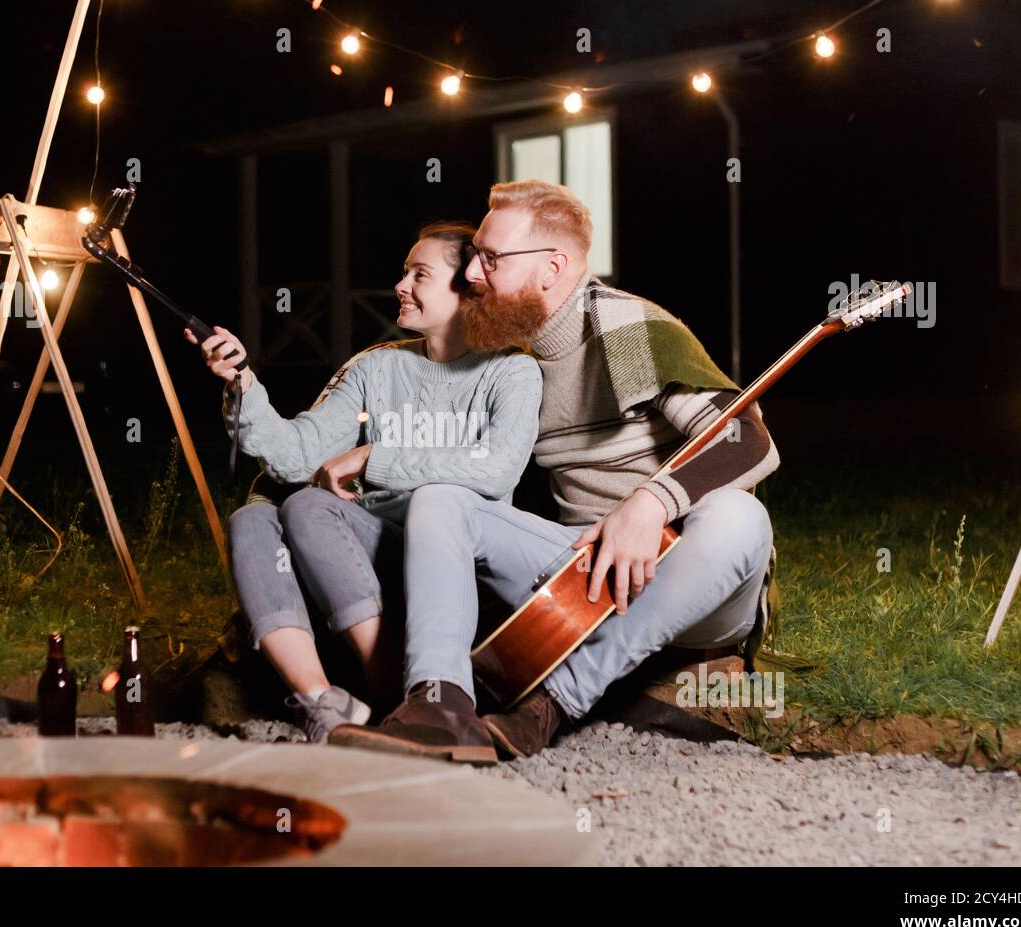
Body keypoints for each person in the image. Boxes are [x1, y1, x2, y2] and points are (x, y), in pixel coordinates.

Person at [330, 180, 780, 762]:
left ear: (552, 268)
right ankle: (439, 705)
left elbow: (748, 440)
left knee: (740, 516)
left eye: (491, 259)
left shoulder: (622, 332)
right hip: (579, 574)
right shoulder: (507, 352)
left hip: (687, 580)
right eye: (475, 258)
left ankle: (550, 706)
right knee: (441, 497)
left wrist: (647, 505)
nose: (472, 273)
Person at [187, 222, 542, 752]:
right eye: (404, 272)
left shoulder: (511, 371)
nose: (401, 286)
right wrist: (242, 384)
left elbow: (497, 470)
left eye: (420, 274)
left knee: (309, 507)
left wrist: (375, 458)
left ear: (469, 288)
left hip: (444, 562)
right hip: (357, 547)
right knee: (253, 518)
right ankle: (325, 704)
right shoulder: (377, 367)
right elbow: (297, 454)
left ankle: (393, 690)